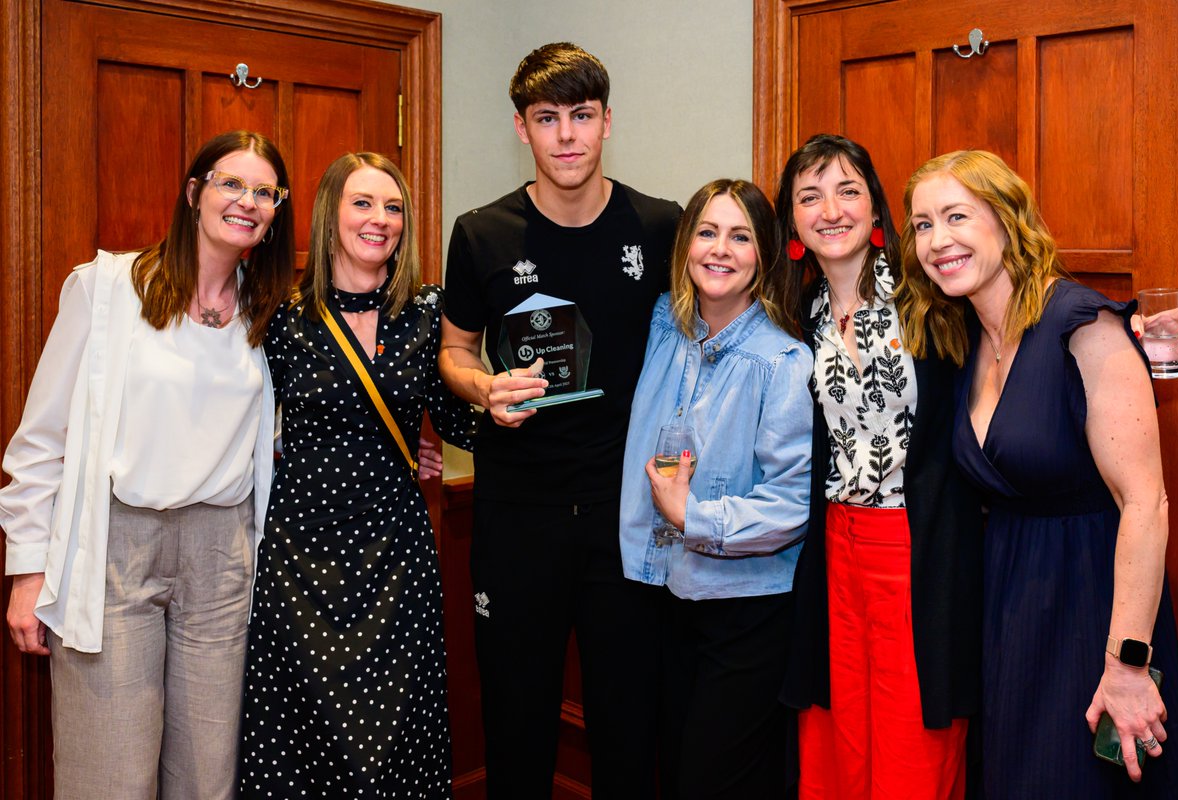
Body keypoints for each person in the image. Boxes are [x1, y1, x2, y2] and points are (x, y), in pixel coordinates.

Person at [1, 130, 294, 798]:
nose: (247, 201)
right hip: (116, 548)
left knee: (206, 776)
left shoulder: (267, 312)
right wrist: (26, 572)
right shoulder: (104, 289)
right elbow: (41, 438)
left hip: (221, 557)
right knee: (109, 774)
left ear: (277, 211)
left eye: (265, 191)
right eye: (231, 183)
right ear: (194, 193)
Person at [900, 149, 1178, 797]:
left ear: (1007, 222)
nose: (938, 240)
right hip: (1009, 616)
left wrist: (1127, 665)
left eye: (956, 216)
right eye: (922, 225)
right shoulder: (965, 339)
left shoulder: (1081, 327)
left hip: (1093, 609)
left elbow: (1147, 503)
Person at [438, 42, 681, 799]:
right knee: (517, 726)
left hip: (627, 516)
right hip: (517, 516)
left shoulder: (661, 225)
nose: (567, 135)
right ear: (523, 129)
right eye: (548, 119)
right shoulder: (482, 232)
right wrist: (482, 390)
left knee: (627, 728)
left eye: (581, 116)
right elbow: (454, 348)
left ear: (608, 122)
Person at [238, 152, 476, 797]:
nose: (379, 220)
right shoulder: (280, 316)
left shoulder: (429, 312)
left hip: (398, 556)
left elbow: (457, 422)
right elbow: (242, 416)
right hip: (302, 555)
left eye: (393, 206)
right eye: (362, 203)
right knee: (305, 737)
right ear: (329, 214)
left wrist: (514, 395)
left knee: (396, 739)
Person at [775, 134, 984, 800]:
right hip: (834, 550)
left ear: (876, 212)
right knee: (836, 744)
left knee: (911, 753)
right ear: (793, 220)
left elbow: (1022, 331)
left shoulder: (932, 296)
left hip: (919, 547)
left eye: (847, 190)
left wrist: (1116, 334)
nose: (829, 208)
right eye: (809, 196)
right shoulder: (795, 315)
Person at [620, 178, 812, 799]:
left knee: (713, 780)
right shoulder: (664, 328)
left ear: (763, 254)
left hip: (748, 612)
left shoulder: (782, 363)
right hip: (669, 596)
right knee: (674, 772)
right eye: (707, 232)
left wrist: (695, 516)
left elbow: (793, 501)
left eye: (740, 236)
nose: (720, 249)